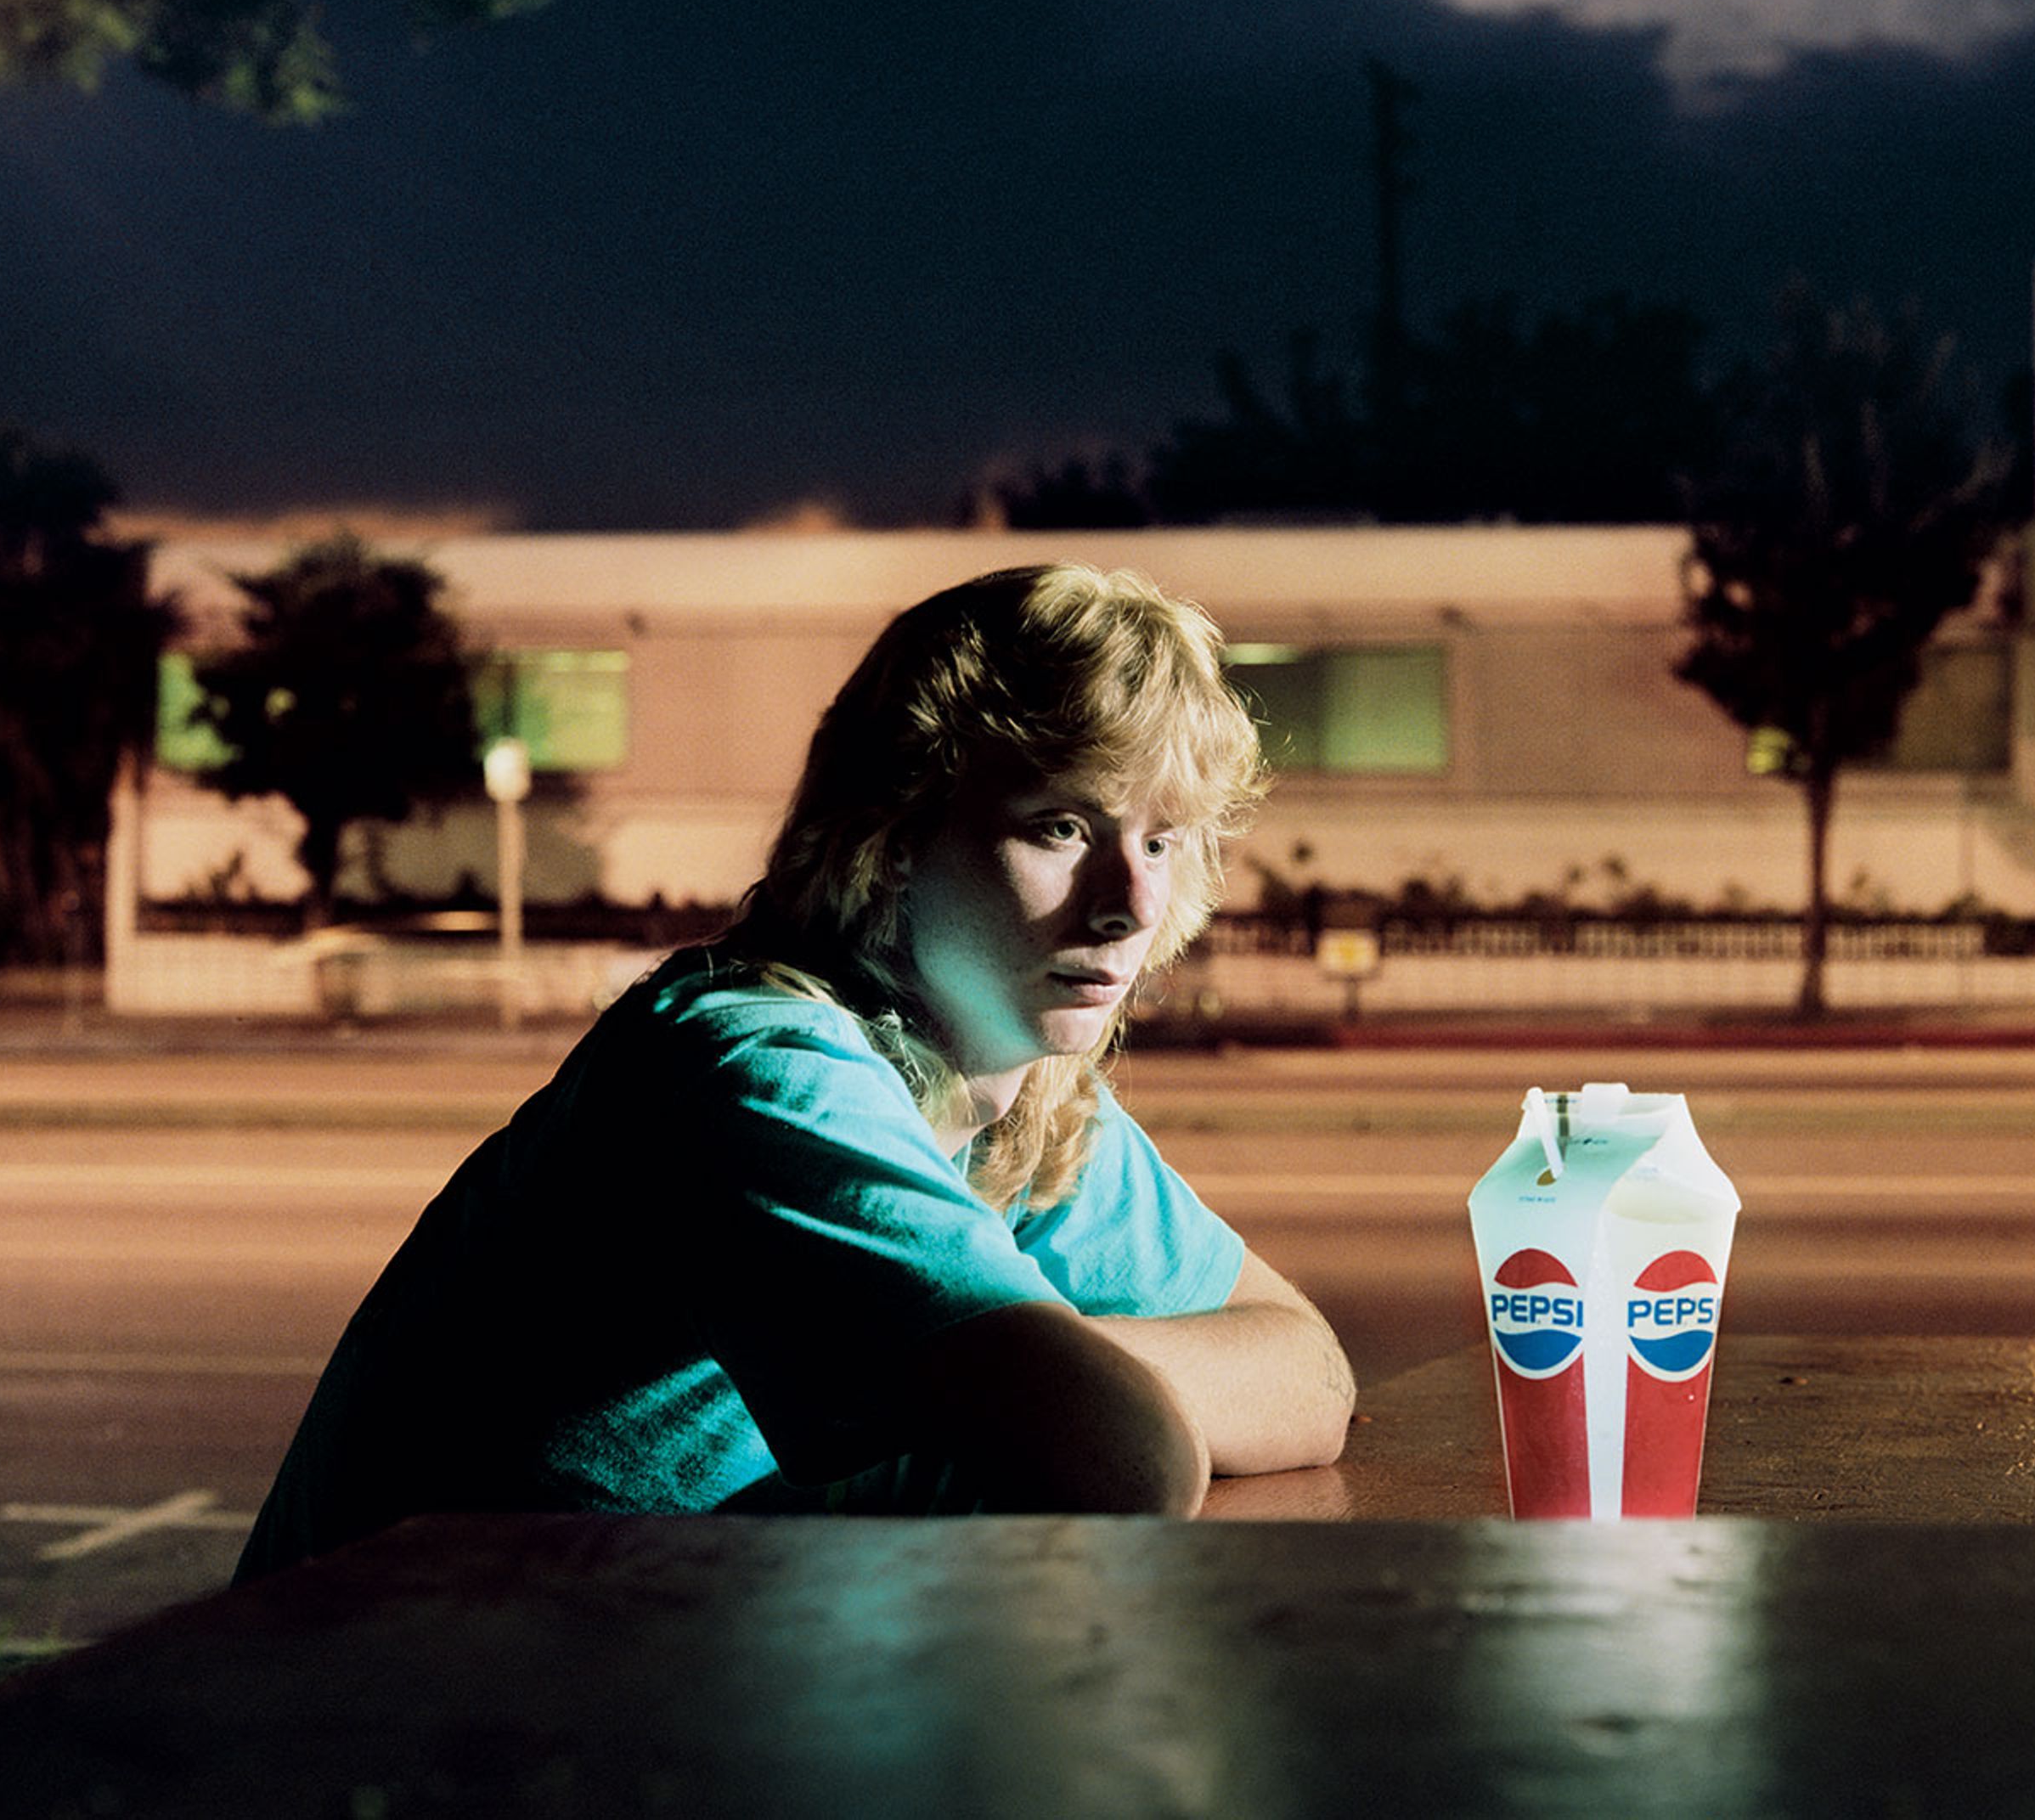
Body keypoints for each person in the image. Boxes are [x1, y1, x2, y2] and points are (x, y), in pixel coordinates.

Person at [234, 564, 1356, 1575]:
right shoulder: (754, 1062)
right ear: (895, 835)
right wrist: (1011, 1375)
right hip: (349, 1734)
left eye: (1162, 840)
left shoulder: (1032, 1098)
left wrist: (1002, 1356)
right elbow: (1125, 1457)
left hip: (587, 1698)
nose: (1133, 903)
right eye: (1061, 827)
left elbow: (1310, 1373)